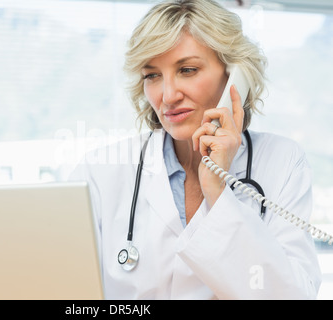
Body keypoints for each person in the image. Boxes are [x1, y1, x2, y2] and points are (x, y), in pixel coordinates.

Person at [68, 0, 322, 299]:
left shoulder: (282, 161)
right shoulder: (99, 170)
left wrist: (217, 191)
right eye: (152, 75)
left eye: (187, 70)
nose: (168, 95)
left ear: (234, 75)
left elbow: (291, 296)